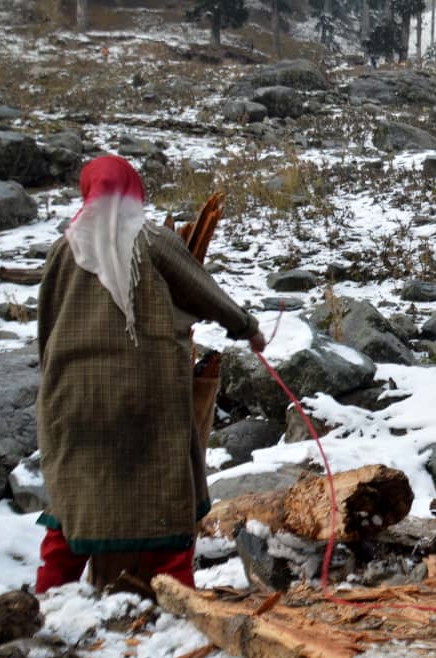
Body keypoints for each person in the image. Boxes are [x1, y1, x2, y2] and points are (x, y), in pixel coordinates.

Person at [35, 155, 266, 594]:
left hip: (72, 397)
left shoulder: (65, 249)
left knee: (75, 503)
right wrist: (247, 328)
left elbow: (46, 326)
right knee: (163, 499)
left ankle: (47, 600)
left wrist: (52, 383)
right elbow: (203, 291)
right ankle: (178, 598)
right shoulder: (152, 240)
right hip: (148, 397)